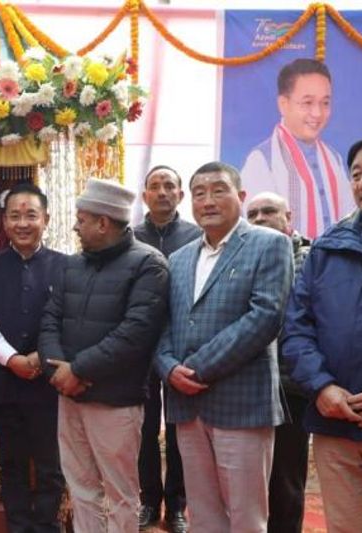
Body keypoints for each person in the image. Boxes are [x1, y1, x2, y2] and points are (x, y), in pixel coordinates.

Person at [155, 161, 293, 533]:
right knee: (203, 514)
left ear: (240, 196)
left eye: (219, 190)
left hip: (242, 404)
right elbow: (164, 324)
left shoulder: (270, 244)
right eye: (199, 193)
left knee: (247, 517)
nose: (208, 200)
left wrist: (197, 369)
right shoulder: (180, 259)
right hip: (186, 406)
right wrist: (168, 368)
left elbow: (264, 317)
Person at [40, 178, 170, 532]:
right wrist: (57, 372)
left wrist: (78, 370)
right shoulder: (71, 265)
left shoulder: (149, 264)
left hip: (115, 402)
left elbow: (135, 334)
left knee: (119, 493)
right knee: (81, 488)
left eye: (81, 219)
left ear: (103, 222)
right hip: (69, 396)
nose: (75, 226)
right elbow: (49, 320)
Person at [281, 135, 362, 533]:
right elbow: (297, 327)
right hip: (336, 422)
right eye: (357, 173)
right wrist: (321, 388)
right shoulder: (327, 248)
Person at [0, 183, 65, 533]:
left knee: (49, 464)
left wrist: (41, 357)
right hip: (4, 382)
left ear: (46, 219)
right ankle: (18, 525)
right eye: (14, 216)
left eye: (31, 215)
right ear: (4, 222)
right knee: (10, 462)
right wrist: (12, 359)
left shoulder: (67, 267)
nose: (22, 223)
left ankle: (46, 525)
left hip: (51, 383)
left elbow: (71, 321)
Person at [133, 165, 200, 532]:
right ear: (144, 195)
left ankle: (177, 504)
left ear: (180, 195)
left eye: (169, 186)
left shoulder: (196, 236)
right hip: (140, 348)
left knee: (179, 428)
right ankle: (148, 500)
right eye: (154, 186)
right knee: (143, 428)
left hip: (181, 346)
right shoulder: (131, 237)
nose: (162, 192)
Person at [244, 191, 311, 533]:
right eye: (252, 214)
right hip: (245, 388)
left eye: (268, 211)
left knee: (285, 481)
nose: (259, 219)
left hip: (290, 387)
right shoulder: (240, 259)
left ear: (289, 217)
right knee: (247, 482)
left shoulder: (312, 260)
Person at [239, 58, 353, 239]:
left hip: (333, 259)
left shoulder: (333, 158)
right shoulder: (262, 160)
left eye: (325, 103)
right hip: (284, 260)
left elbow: (351, 216)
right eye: (307, 103)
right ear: (283, 104)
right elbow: (256, 230)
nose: (317, 113)